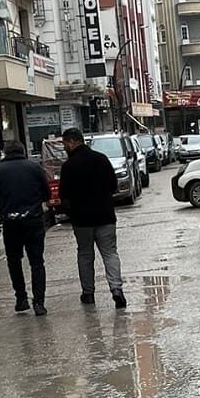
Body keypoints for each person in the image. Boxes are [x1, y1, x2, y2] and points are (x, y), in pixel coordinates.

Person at [58, 127, 126, 308]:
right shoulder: (101, 159)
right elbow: (113, 186)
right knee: (110, 253)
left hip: (82, 221)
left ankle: (88, 293)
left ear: (72, 142)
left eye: (65, 143)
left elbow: (63, 196)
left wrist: (71, 210)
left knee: (85, 254)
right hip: (105, 216)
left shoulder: (68, 166)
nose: (65, 147)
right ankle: (117, 289)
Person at [0, 140, 51, 315]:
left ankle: (21, 298)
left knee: (14, 261)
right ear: (22, 151)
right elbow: (46, 193)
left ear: (5, 153)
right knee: (37, 262)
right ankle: (39, 302)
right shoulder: (34, 167)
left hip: (11, 223)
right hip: (33, 221)